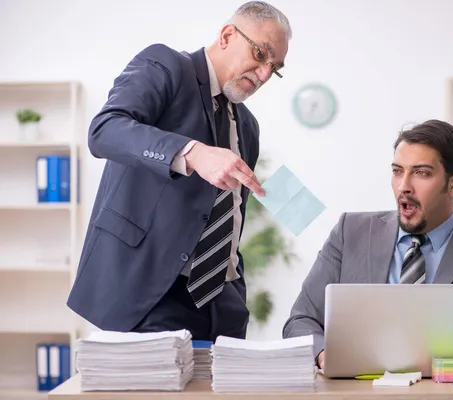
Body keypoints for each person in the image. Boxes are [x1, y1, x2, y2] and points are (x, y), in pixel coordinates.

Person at [67, 1, 291, 341]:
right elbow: (105, 130)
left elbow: (231, 214)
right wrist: (193, 153)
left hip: (224, 303)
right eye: (261, 54)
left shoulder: (247, 126)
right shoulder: (166, 65)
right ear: (228, 35)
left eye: (273, 68)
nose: (263, 74)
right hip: (153, 293)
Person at [282, 119, 453, 372]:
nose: (404, 186)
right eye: (397, 171)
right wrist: (327, 356)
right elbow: (301, 321)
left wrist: (442, 354)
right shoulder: (349, 232)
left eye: (421, 173)